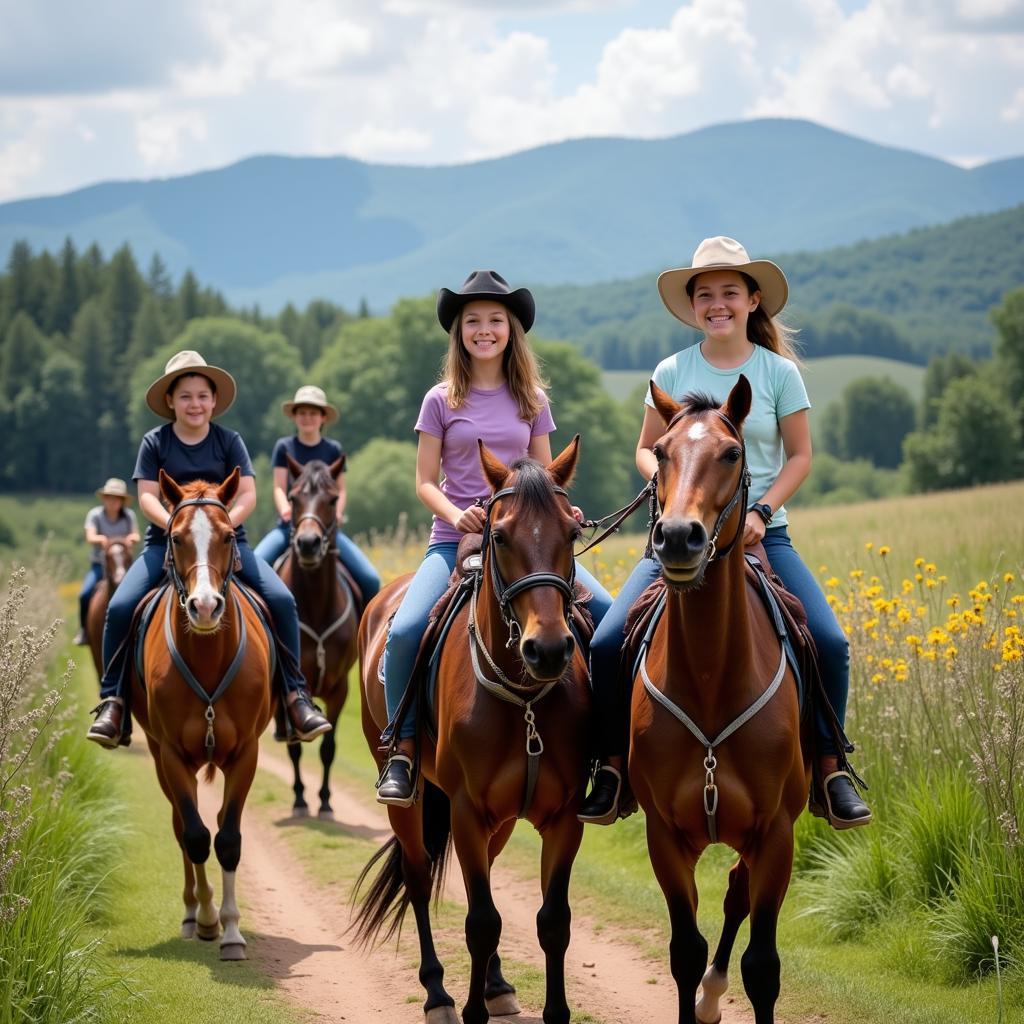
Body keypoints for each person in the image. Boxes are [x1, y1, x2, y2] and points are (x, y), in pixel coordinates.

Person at [579, 236, 872, 830]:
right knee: (608, 643)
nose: (718, 304)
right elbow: (646, 448)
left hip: (763, 535)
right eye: (705, 294)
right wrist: (669, 482)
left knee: (830, 642)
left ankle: (829, 767)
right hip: (681, 533)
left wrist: (762, 511)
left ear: (753, 300)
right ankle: (611, 769)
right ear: (691, 307)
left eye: (729, 293)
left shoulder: (778, 373)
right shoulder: (670, 372)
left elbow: (800, 457)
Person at [376, 270, 613, 806]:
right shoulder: (439, 400)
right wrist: (457, 513)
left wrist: (561, 509)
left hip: (528, 544)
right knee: (406, 629)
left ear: (512, 331)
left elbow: (546, 473)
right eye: (473, 321)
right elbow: (423, 481)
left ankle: (608, 757)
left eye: (495, 321)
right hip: (454, 539)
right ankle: (403, 751)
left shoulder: (531, 397)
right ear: (459, 332)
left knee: (608, 621)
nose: (484, 330)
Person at [86, 350, 332, 748]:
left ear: (214, 401)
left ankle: (295, 697)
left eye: (202, 395)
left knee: (283, 601)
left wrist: (216, 530)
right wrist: (179, 527)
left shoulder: (229, 441)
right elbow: (147, 496)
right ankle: (113, 701)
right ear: (170, 401)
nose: (194, 404)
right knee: (118, 607)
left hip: (226, 545)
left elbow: (248, 495)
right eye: (185, 396)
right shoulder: (155, 442)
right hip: (165, 544)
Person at [253, 384, 380, 604]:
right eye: (302, 413)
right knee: (256, 567)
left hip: (326, 529)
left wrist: (338, 513)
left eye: (313, 413)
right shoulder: (284, 447)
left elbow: (340, 489)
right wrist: (285, 508)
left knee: (370, 579)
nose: (307, 418)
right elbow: (278, 487)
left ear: (323, 418)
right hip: (288, 527)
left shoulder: (333, 450)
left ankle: (363, 635)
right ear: (294, 417)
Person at [74, 478, 140, 645]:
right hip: (100, 565)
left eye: (117, 498)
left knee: (142, 592)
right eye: (110, 497)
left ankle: (141, 626)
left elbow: (136, 535)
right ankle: (84, 630)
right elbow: (90, 536)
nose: (113, 501)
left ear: (122, 501)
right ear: (104, 498)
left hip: (124, 564)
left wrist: (130, 539)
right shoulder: (95, 515)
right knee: (85, 593)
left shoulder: (129, 516)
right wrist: (101, 539)